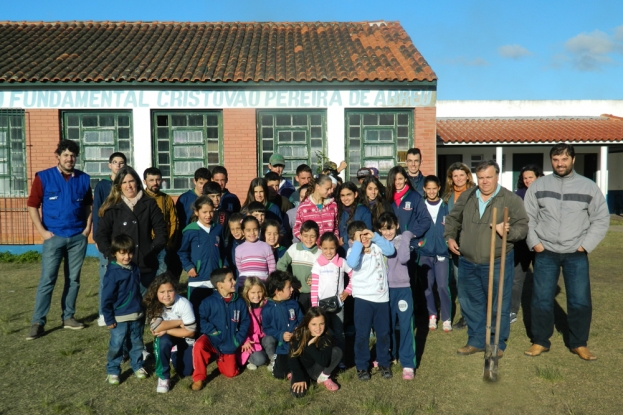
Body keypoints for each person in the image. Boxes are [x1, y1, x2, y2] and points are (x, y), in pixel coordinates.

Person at [524, 144, 609, 361]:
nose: (560, 164)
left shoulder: (588, 187)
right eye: (555, 159)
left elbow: (600, 219)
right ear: (551, 161)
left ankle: (578, 343)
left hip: (576, 252)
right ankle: (540, 341)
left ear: (573, 159)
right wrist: (535, 243)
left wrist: (585, 245)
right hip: (545, 251)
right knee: (541, 299)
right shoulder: (539, 185)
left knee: (579, 300)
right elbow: (528, 218)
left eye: (564, 159)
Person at [444, 160, 528, 357]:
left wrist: (508, 231)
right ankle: (476, 340)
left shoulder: (509, 199)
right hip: (468, 260)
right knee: (471, 302)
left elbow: (522, 226)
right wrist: (449, 237)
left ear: (497, 176)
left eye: (489, 177)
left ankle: (496, 342)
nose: (484, 182)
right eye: (481, 178)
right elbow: (453, 218)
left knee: (499, 301)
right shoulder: (468, 195)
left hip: (497, 259)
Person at [26, 140, 93, 340]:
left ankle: (69, 317)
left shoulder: (83, 179)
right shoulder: (44, 177)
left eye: (72, 155)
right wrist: (43, 232)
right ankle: (38, 322)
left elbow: (89, 206)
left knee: (73, 280)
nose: (69, 159)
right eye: (65, 155)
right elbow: (32, 206)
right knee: (48, 280)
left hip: (76, 238)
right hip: (53, 237)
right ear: (58, 156)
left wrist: (87, 229)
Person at [95, 166, 167, 296]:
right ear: (119, 186)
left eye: (131, 181)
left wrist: (151, 251)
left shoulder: (149, 204)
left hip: (145, 265)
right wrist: (111, 255)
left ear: (137, 182)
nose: (128, 186)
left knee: (145, 305)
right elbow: (101, 235)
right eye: (124, 182)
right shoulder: (112, 207)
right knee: (123, 306)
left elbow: (161, 232)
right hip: (120, 266)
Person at [346, 221, 396, 381]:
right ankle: (362, 366)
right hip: (362, 299)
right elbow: (352, 263)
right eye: (360, 237)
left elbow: (391, 250)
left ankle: (384, 362)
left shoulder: (377, 246)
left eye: (365, 234)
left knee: (383, 333)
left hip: (381, 298)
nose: (364, 238)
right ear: (353, 240)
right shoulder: (352, 252)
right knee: (362, 335)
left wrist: (375, 237)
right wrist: (358, 245)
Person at [191, 268, 250, 391]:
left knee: (231, 373)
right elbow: (200, 319)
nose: (234, 281)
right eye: (230, 280)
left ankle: (220, 357)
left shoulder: (239, 301)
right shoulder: (208, 301)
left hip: (230, 343)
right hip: (212, 338)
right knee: (199, 345)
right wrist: (212, 331)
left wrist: (237, 340)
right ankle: (199, 378)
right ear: (220, 285)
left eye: (234, 278)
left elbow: (245, 321)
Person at [101, 234, 147, 385]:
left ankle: (138, 365)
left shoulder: (134, 268)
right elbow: (106, 298)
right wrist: (109, 318)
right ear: (115, 253)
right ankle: (113, 370)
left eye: (129, 253)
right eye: (122, 253)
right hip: (119, 317)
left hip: (136, 315)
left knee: (137, 342)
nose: (127, 256)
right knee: (117, 344)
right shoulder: (112, 273)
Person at [376, 212, 416, 379]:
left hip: (403, 289)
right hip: (385, 291)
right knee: (388, 325)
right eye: (384, 229)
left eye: (390, 228)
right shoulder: (378, 244)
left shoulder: (401, 240)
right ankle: (391, 355)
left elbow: (405, 258)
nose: (388, 232)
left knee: (406, 326)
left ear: (397, 226)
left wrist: (406, 236)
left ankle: (408, 363)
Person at [144, 272, 196, 393]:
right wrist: (179, 321)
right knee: (163, 341)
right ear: (156, 293)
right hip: (168, 336)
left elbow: (191, 332)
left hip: (184, 337)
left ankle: (174, 352)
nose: (166, 295)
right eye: (162, 292)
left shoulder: (184, 304)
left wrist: (166, 329)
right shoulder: (154, 303)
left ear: (176, 290)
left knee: (186, 372)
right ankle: (164, 377)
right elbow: (156, 328)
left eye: (170, 291)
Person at [93, 152, 126, 326]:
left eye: (122, 163)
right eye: (115, 162)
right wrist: (97, 237)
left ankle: (122, 309)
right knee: (106, 275)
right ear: (109, 165)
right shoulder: (102, 186)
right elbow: (97, 212)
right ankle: (103, 313)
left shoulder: (127, 184)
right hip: (107, 237)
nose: (118, 165)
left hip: (124, 238)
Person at [441, 162, 476, 330]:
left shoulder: (476, 194)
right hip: (455, 244)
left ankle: (477, 314)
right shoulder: (447, 197)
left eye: (462, 175)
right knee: (460, 280)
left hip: (473, 243)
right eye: (455, 176)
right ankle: (465, 316)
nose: (459, 178)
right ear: (451, 179)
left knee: (474, 281)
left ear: (468, 176)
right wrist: (449, 239)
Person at [177, 196, 224, 310]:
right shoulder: (190, 230)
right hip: (197, 279)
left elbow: (223, 250)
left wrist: (224, 265)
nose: (208, 215)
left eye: (211, 211)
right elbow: (182, 252)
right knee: (196, 310)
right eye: (204, 212)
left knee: (216, 309)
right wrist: (189, 267)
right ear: (196, 212)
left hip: (216, 278)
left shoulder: (218, 228)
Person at [510, 164, 543, 324]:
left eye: (531, 177)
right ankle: (512, 310)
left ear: (538, 177)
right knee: (516, 278)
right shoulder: (518, 195)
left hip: (541, 243)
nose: (528, 180)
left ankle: (541, 310)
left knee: (542, 279)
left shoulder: (545, 193)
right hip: (522, 244)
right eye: (525, 178)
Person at [310, 232, 352, 356]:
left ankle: (341, 357)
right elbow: (314, 287)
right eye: (325, 248)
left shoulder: (342, 262)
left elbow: (354, 276)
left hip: (338, 304)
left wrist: (347, 291)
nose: (328, 251)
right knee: (323, 331)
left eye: (332, 248)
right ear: (320, 247)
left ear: (336, 247)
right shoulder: (318, 264)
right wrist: (314, 306)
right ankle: (325, 356)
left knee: (339, 331)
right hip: (321, 306)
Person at [419, 176, 451, 332]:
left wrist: (448, 243)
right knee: (427, 287)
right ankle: (432, 314)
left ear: (439, 188)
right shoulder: (421, 206)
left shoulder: (446, 207)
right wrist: (419, 243)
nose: (431, 191)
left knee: (443, 286)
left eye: (434, 188)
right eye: (428, 188)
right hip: (425, 253)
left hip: (442, 253)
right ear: (424, 189)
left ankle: (446, 317)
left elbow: (452, 227)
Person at [289, 307, 342, 397]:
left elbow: (324, 361)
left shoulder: (326, 337)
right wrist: (299, 377)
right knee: (298, 394)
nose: (318, 328)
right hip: (302, 369)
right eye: (314, 324)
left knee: (337, 351)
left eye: (321, 324)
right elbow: (292, 358)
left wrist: (310, 347)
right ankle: (294, 375)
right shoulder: (298, 335)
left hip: (317, 369)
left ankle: (324, 377)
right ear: (307, 324)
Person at [261, 270, 304, 379]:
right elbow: (266, 328)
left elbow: (302, 320)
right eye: (289, 287)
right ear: (278, 291)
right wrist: (281, 335)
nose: (292, 289)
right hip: (282, 347)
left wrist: (298, 329)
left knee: (304, 364)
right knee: (279, 374)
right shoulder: (267, 310)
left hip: (297, 344)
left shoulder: (294, 303)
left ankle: (294, 369)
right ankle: (277, 361)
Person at [277, 220, 321, 313]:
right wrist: (289, 281)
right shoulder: (294, 248)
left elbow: (325, 271)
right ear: (300, 235)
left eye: (312, 236)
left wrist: (317, 279)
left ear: (317, 237)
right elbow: (281, 264)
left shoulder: (319, 253)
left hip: (313, 293)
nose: (308, 239)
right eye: (305, 236)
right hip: (295, 292)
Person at [143, 167, 179, 277]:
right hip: (145, 245)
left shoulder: (166, 199)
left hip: (162, 245)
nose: (155, 183)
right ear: (145, 181)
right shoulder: (140, 198)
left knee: (161, 276)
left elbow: (174, 222)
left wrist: (170, 242)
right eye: (151, 180)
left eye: (158, 180)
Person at [293, 175, 338, 242]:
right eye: (327, 189)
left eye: (331, 188)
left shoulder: (333, 205)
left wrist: (334, 242)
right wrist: (307, 241)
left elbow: (336, 227)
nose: (330, 191)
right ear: (317, 187)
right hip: (310, 249)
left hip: (328, 249)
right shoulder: (303, 207)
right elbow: (297, 228)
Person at [235, 216, 276, 288]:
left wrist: (270, 283)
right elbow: (240, 269)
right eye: (248, 230)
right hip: (245, 287)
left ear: (259, 229)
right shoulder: (238, 249)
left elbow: (272, 267)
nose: (252, 233)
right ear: (243, 231)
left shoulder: (266, 247)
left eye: (255, 229)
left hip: (262, 286)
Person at [240, 277, 269, 370]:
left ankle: (271, 358)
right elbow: (238, 327)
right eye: (253, 292)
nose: (256, 295)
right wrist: (245, 340)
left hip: (264, 336)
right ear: (246, 292)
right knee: (260, 359)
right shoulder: (242, 307)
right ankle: (250, 359)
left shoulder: (267, 304)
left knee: (271, 342)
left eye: (259, 291)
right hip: (250, 340)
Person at [336, 182, 372, 247]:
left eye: (348, 194)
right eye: (342, 195)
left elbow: (367, 231)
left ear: (355, 194)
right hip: (341, 252)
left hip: (358, 250)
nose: (345, 198)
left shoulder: (363, 210)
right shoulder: (339, 210)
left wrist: (345, 239)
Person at [225, 212, 245, 279]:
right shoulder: (230, 246)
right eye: (232, 229)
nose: (235, 232)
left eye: (238, 228)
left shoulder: (251, 243)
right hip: (237, 280)